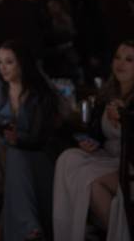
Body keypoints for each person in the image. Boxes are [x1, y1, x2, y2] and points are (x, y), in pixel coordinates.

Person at [0, 40, 63, 241]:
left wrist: (17, 140)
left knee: (18, 154)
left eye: (9, 62)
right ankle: (30, 229)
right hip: (1, 155)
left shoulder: (40, 93)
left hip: (35, 155)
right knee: (13, 153)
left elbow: (38, 139)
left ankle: (30, 230)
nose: (2, 67)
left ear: (23, 64)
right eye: (0, 62)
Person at [53, 40, 134, 241]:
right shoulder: (108, 93)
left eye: (129, 59)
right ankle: (70, 231)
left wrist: (125, 119)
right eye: (117, 57)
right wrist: (89, 141)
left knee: (89, 178)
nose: (120, 63)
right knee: (67, 158)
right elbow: (96, 133)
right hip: (109, 158)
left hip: (130, 165)